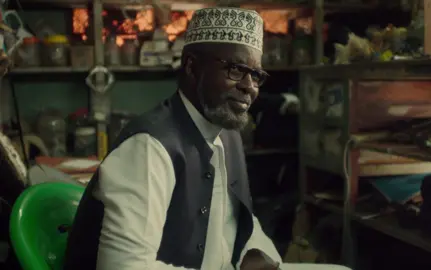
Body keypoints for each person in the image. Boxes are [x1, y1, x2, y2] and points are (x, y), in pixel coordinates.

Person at [64, 7, 282, 270]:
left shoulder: (227, 133)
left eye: (255, 75)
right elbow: (125, 267)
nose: (249, 87)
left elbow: (237, 220)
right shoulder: (149, 148)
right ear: (191, 66)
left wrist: (256, 250)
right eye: (235, 69)